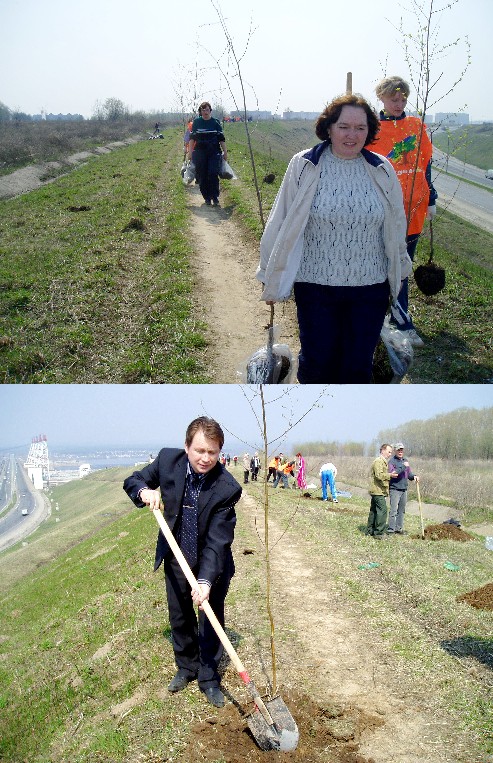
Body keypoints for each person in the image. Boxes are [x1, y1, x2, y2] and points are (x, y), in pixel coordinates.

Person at [256, 93, 412, 384]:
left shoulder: (381, 169)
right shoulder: (304, 165)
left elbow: (395, 225)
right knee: (318, 363)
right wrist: (269, 273)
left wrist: (400, 271)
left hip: (370, 290)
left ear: (370, 131)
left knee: (357, 366)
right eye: (344, 126)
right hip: (316, 288)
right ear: (329, 128)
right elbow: (281, 220)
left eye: (360, 128)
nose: (352, 135)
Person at [122, 416, 242, 708]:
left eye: (212, 452)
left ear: (220, 452)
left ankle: (209, 677)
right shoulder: (167, 461)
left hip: (210, 563)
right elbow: (133, 480)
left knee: (210, 620)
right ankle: (186, 667)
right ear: (187, 446)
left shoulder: (227, 487)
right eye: (200, 450)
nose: (205, 458)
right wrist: (144, 491)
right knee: (179, 615)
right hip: (176, 553)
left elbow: (218, 541)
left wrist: (205, 581)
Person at [371, 76, 438, 346]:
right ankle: (380, 315)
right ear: (382, 99)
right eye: (393, 99)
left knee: (402, 264)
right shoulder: (372, 128)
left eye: (402, 99)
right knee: (380, 264)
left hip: (414, 209)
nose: (399, 104)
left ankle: (401, 318)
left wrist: (431, 196)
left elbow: (427, 163)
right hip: (383, 209)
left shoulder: (415, 126)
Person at [188, 102, 228, 206]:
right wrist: (190, 152)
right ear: (200, 112)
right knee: (202, 175)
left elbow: (221, 139)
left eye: (207, 110)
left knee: (213, 173)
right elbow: (192, 138)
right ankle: (206, 197)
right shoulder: (196, 122)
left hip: (214, 151)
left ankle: (214, 196)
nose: (205, 112)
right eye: (203, 110)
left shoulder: (215, 122)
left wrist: (225, 152)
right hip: (200, 152)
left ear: (210, 110)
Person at [366, 444, 399, 540]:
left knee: (374, 511)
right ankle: (379, 533)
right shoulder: (378, 461)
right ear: (383, 451)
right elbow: (379, 475)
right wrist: (390, 475)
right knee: (383, 510)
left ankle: (370, 531)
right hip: (377, 490)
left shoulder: (383, 462)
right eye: (389, 452)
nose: (390, 454)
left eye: (391, 452)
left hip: (378, 490)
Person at [387, 442, 419, 535]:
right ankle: (390, 530)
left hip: (404, 489)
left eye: (402, 450)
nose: (400, 451)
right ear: (395, 451)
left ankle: (398, 529)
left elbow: (409, 474)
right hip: (395, 489)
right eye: (398, 450)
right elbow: (394, 473)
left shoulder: (405, 460)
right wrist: (403, 466)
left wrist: (414, 477)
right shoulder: (392, 462)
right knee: (393, 510)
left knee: (401, 510)